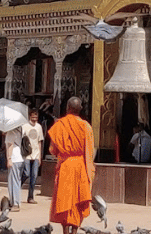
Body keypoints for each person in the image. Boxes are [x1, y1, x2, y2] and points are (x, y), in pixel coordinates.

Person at [49, 96, 95, 234]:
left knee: (64, 198)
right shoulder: (86, 126)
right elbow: (90, 150)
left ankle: (65, 231)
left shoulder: (59, 125)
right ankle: (75, 230)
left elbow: (52, 150)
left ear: (67, 108)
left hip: (65, 166)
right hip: (81, 165)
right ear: (80, 110)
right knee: (78, 198)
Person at [22, 108, 45, 204]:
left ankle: (30, 196)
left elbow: (39, 142)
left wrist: (39, 156)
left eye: (36, 116)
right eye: (33, 116)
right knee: (26, 173)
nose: (35, 118)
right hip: (27, 154)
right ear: (30, 116)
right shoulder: (25, 126)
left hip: (35, 154)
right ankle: (18, 185)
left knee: (34, 176)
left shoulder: (39, 127)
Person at [5, 121, 24, 210]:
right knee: (16, 180)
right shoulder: (19, 131)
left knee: (13, 181)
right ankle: (14, 201)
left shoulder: (10, 133)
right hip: (20, 158)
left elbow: (10, 146)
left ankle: (15, 203)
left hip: (14, 159)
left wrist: (9, 159)